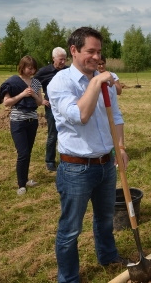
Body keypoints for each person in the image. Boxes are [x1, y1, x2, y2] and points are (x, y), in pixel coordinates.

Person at [47, 27, 130, 281]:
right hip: (76, 168)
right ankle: (69, 278)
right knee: (70, 229)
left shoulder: (106, 80)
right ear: (74, 50)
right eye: (90, 51)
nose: (96, 57)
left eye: (99, 52)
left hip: (106, 164)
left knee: (105, 218)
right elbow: (80, 116)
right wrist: (95, 81)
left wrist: (121, 147)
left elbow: (115, 116)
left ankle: (108, 256)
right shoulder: (61, 82)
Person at [0, 55, 44, 195]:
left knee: (28, 152)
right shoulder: (12, 82)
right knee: (22, 153)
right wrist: (22, 94)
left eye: (34, 68)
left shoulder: (36, 83)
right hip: (18, 122)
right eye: (29, 68)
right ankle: (21, 185)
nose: (32, 70)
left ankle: (25, 179)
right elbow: (6, 102)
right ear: (22, 67)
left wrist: (34, 95)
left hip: (32, 121)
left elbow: (40, 102)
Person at [34, 47, 68, 172]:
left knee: (67, 133)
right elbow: (33, 85)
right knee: (53, 135)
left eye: (65, 59)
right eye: (60, 59)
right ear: (53, 58)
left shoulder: (68, 70)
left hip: (66, 107)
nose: (63, 62)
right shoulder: (44, 72)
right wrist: (40, 99)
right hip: (51, 108)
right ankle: (50, 161)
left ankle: (67, 159)